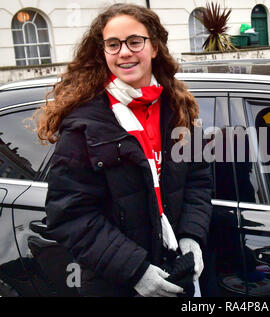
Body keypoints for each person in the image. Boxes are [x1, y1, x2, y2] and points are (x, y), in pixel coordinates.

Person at [35, 3, 212, 297]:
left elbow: (198, 180)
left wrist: (192, 236)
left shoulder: (177, 109)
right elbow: (70, 215)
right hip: (117, 284)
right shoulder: (84, 123)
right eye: (113, 44)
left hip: (177, 273)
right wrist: (135, 270)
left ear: (154, 47)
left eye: (134, 41)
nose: (124, 52)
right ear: (103, 52)